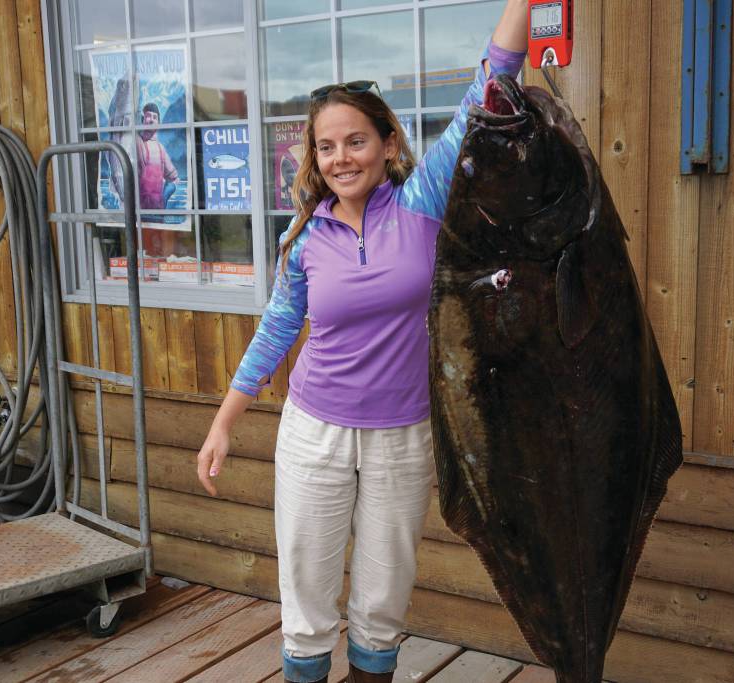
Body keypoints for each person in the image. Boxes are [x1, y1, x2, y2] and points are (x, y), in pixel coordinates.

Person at [196, 4, 528, 682]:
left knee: (383, 596)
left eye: (355, 141)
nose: (340, 157)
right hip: (313, 433)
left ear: (386, 144)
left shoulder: (423, 203)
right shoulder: (307, 239)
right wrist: (224, 423)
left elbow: (488, 89)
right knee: (308, 595)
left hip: (403, 435)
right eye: (326, 146)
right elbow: (276, 329)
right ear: (314, 158)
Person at [136, 102, 180, 257]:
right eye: (147, 116)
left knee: (160, 248)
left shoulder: (161, 149)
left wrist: (167, 193)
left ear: (159, 122)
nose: (150, 120)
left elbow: (174, 176)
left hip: (158, 208)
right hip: (140, 209)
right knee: (145, 246)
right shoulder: (137, 143)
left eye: (154, 117)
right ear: (142, 120)